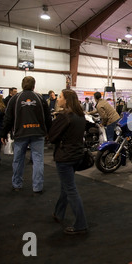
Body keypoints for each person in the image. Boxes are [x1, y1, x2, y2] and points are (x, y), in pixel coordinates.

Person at [1, 76, 52, 193]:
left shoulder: (15, 99)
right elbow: (48, 118)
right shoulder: (40, 98)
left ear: (22, 85)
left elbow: (8, 118)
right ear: (34, 85)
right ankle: (37, 187)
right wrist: (49, 132)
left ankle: (17, 185)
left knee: (18, 160)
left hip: (20, 133)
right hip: (38, 133)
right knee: (38, 160)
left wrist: (3, 133)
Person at [48, 89, 88, 235]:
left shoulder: (65, 116)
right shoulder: (80, 115)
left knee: (70, 189)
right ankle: (59, 213)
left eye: (60, 97)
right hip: (77, 156)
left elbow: (52, 137)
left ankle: (81, 223)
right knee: (66, 186)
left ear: (66, 100)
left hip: (65, 157)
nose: (58, 99)